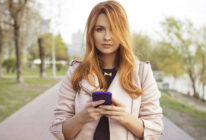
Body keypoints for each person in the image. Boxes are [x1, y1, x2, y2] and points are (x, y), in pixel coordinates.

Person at [50, 0, 163, 140]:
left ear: (123, 32)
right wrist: (82, 117)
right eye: (100, 29)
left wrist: (125, 118)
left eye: (114, 29)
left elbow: (155, 130)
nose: (107, 37)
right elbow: (59, 130)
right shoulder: (76, 72)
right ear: (91, 33)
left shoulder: (142, 73)